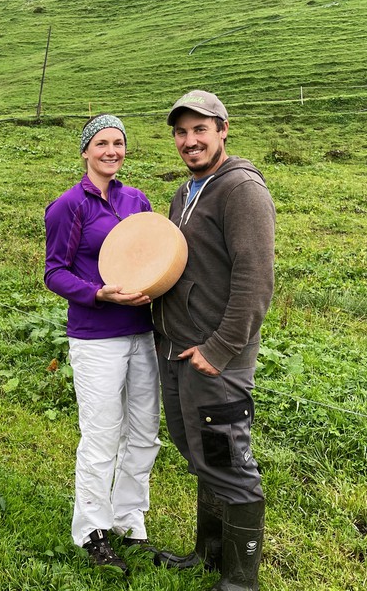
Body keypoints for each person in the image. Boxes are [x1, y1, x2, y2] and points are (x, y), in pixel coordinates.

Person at [151, 91, 275, 590]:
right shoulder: (186, 192)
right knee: (199, 451)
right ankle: (207, 555)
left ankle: (240, 581)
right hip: (180, 350)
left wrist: (220, 348)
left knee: (228, 460)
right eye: (181, 132)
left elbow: (255, 278)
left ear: (224, 129)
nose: (189, 141)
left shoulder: (241, 190)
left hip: (215, 358)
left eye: (200, 130)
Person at [44, 114, 162, 574]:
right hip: (96, 337)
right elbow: (55, 271)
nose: (112, 151)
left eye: (118, 143)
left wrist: (157, 284)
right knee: (101, 435)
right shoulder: (69, 206)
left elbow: (154, 253)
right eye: (102, 143)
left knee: (144, 433)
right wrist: (97, 292)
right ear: (86, 151)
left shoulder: (137, 200)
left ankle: (129, 521)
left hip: (141, 331)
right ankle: (90, 530)